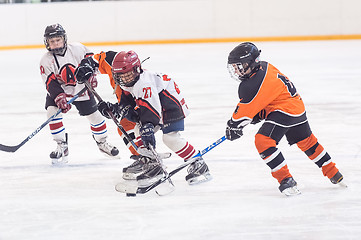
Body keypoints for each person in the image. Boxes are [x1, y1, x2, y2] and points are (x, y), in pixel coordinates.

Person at [74, 50, 212, 186]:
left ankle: (198, 162)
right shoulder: (126, 79)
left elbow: (150, 110)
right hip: (156, 105)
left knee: (170, 138)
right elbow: (129, 104)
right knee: (137, 129)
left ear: (137, 69)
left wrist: (148, 126)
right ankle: (151, 162)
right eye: (122, 76)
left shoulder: (144, 84)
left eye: (128, 74)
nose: (125, 78)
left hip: (171, 106)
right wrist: (114, 109)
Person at [225, 42, 345, 196]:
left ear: (251, 62)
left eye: (239, 66)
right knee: (307, 142)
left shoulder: (252, 84)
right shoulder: (264, 66)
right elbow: (269, 97)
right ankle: (334, 172)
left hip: (285, 111)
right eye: (234, 67)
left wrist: (233, 126)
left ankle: (286, 180)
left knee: (263, 141)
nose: (236, 70)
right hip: (296, 107)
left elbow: (242, 115)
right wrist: (260, 114)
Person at [39, 23, 119, 165]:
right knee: (52, 113)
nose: (56, 44)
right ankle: (61, 145)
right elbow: (50, 83)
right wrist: (58, 97)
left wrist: (92, 76)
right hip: (60, 93)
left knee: (95, 117)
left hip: (81, 89)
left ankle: (102, 143)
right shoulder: (46, 60)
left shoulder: (78, 49)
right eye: (52, 41)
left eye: (58, 40)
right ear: (47, 43)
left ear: (64, 39)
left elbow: (93, 63)